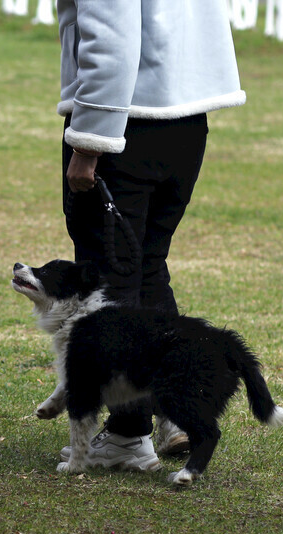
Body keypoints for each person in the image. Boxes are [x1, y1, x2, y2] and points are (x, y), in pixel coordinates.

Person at [57, 0, 246, 470]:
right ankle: (174, 411)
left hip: (126, 123)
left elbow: (110, 34)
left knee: (113, 278)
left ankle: (127, 433)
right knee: (147, 266)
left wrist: (88, 139)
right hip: (187, 120)